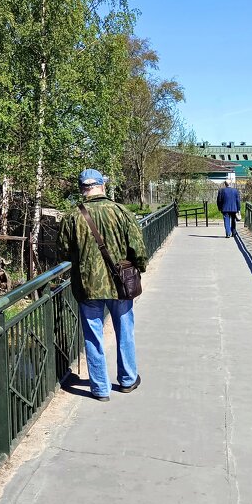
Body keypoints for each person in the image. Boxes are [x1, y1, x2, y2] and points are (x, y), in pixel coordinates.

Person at [57, 169, 148, 402]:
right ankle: (127, 379)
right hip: (121, 284)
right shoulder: (121, 211)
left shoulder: (73, 216)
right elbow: (137, 247)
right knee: (125, 329)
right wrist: (140, 268)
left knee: (93, 335)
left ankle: (100, 388)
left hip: (87, 284)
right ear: (102, 186)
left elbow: (64, 250)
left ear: (81, 189)